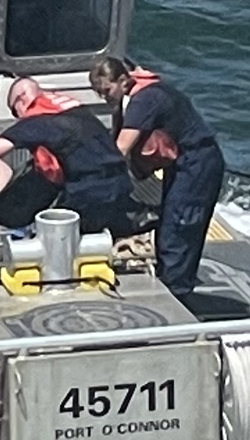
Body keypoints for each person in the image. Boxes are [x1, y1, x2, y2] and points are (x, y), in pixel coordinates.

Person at [89, 55, 225, 301]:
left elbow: (121, 148)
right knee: (170, 226)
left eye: (107, 90)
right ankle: (171, 284)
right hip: (182, 162)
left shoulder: (145, 100)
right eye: (99, 93)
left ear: (122, 80)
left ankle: (177, 295)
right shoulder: (134, 96)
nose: (105, 97)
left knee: (180, 228)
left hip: (197, 163)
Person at [0, 79, 140, 238]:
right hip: (121, 184)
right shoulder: (76, 110)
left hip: (89, 194)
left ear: (22, 99)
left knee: (52, 234)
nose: (17, 117)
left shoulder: (36, 121)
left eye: (14, 111)